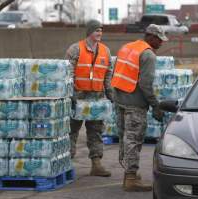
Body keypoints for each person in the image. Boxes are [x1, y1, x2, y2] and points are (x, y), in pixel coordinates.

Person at [110, 24, 168, 191]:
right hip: (135, 104)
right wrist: (156, 106)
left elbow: (117, 72)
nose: (161, 43)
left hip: (120, 100)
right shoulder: (148, 55)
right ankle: (131, 178)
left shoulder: (127, 47)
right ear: (150, 37)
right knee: (134, 141)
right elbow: (146, 84)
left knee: (125, 139)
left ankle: (129, 173)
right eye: (159, 39)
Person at [65, 19, 113, 177]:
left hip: (97, 97)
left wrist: (110, 93)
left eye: (101, 30)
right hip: (78, 96)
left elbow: (107, 75)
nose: (99, 33)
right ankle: (66, 163)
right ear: (89, 32)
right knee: (71, 131)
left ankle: (96, 164)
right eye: (96, 30)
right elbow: (68, 73)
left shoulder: (105, 51)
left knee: (96, 131)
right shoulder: (75, 49)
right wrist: (70, 94)